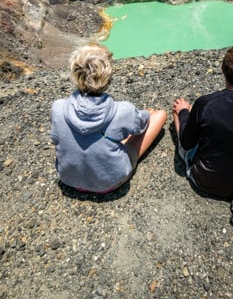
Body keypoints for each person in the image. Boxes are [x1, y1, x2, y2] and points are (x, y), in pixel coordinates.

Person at [51, 43, 167, 193]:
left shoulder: (58, 107)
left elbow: (56, 139)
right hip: (111, 181)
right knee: (159, 115)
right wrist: (146, 113)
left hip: (69, 179)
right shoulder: (124, 110)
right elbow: (141, 126)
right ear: (107, 77)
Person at [172, 45, 233, 198]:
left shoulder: (205, 103)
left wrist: (184, 112)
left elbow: (187, 143)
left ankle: (181, 111)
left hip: (202, 180)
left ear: (222, 70)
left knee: (181, 110)